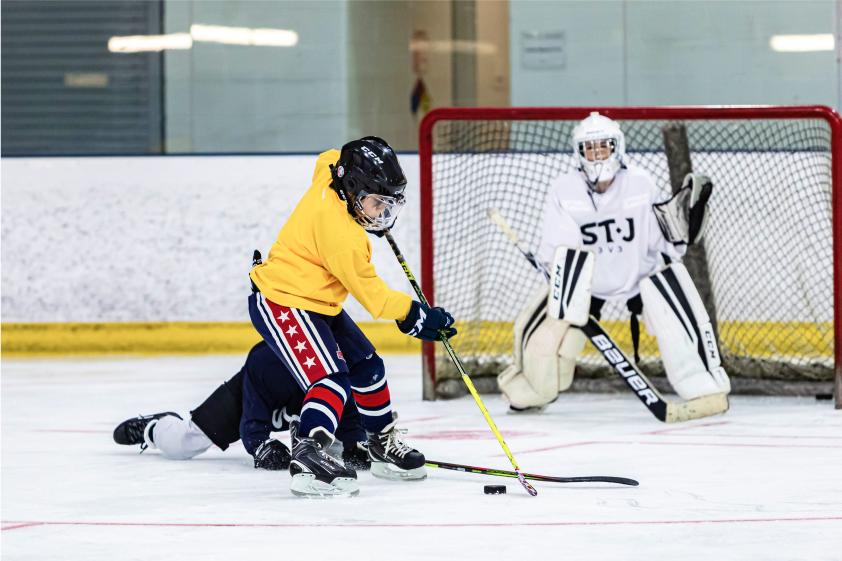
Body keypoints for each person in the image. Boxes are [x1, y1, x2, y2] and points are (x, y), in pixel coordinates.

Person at [248, 136, 457, 497]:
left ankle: (379, 443)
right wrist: (416, 315)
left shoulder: (332, 175)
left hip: (318, 302)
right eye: (377, 203)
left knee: (368, 367)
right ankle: (309, 454)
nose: (381, 214)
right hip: (282, 301)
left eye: (388, 204)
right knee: (331, 380)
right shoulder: (342, 236)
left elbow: (327, 157)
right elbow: (374, 297)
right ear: (353, 188)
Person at [497, 112, 731, 413]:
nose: (597, 155)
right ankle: (533, 391)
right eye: (590, 148)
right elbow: (561, 249)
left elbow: (659, 241)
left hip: (639, 277)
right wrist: (560, 279)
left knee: (679, 322)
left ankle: (705, 387)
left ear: (616, 148)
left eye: (603, 147)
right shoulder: (563, 190)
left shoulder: (640, 183)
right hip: (587, 286)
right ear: (579, 152)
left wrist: (679, 231)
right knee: (546, 342)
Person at [112, 341, 371, 471]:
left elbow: (349, 415)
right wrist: (260, 444)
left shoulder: (339, 363)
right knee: (184, 442)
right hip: (251, 396)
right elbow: (252, 420)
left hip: (298, 405)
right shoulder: (267, 361)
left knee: (334, 452)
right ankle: (157, 427)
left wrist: (355, 443)